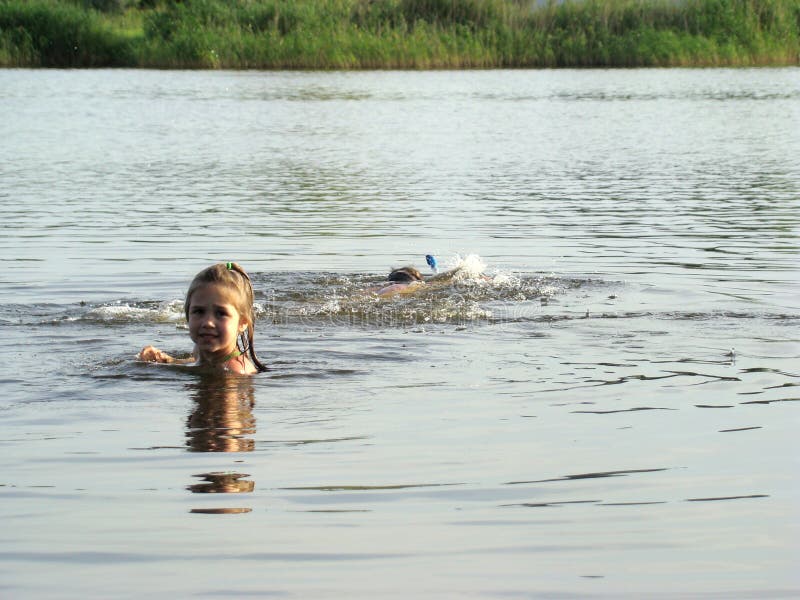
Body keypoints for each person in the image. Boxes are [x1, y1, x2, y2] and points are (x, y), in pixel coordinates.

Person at [138, 262, 267, 374]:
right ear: (188, 315)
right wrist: (168, 360)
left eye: (221, 313)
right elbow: (197, 363)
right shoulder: (200, 350)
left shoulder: (233, 372)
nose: (208, 323)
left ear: (242, 322)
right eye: (199, 311)